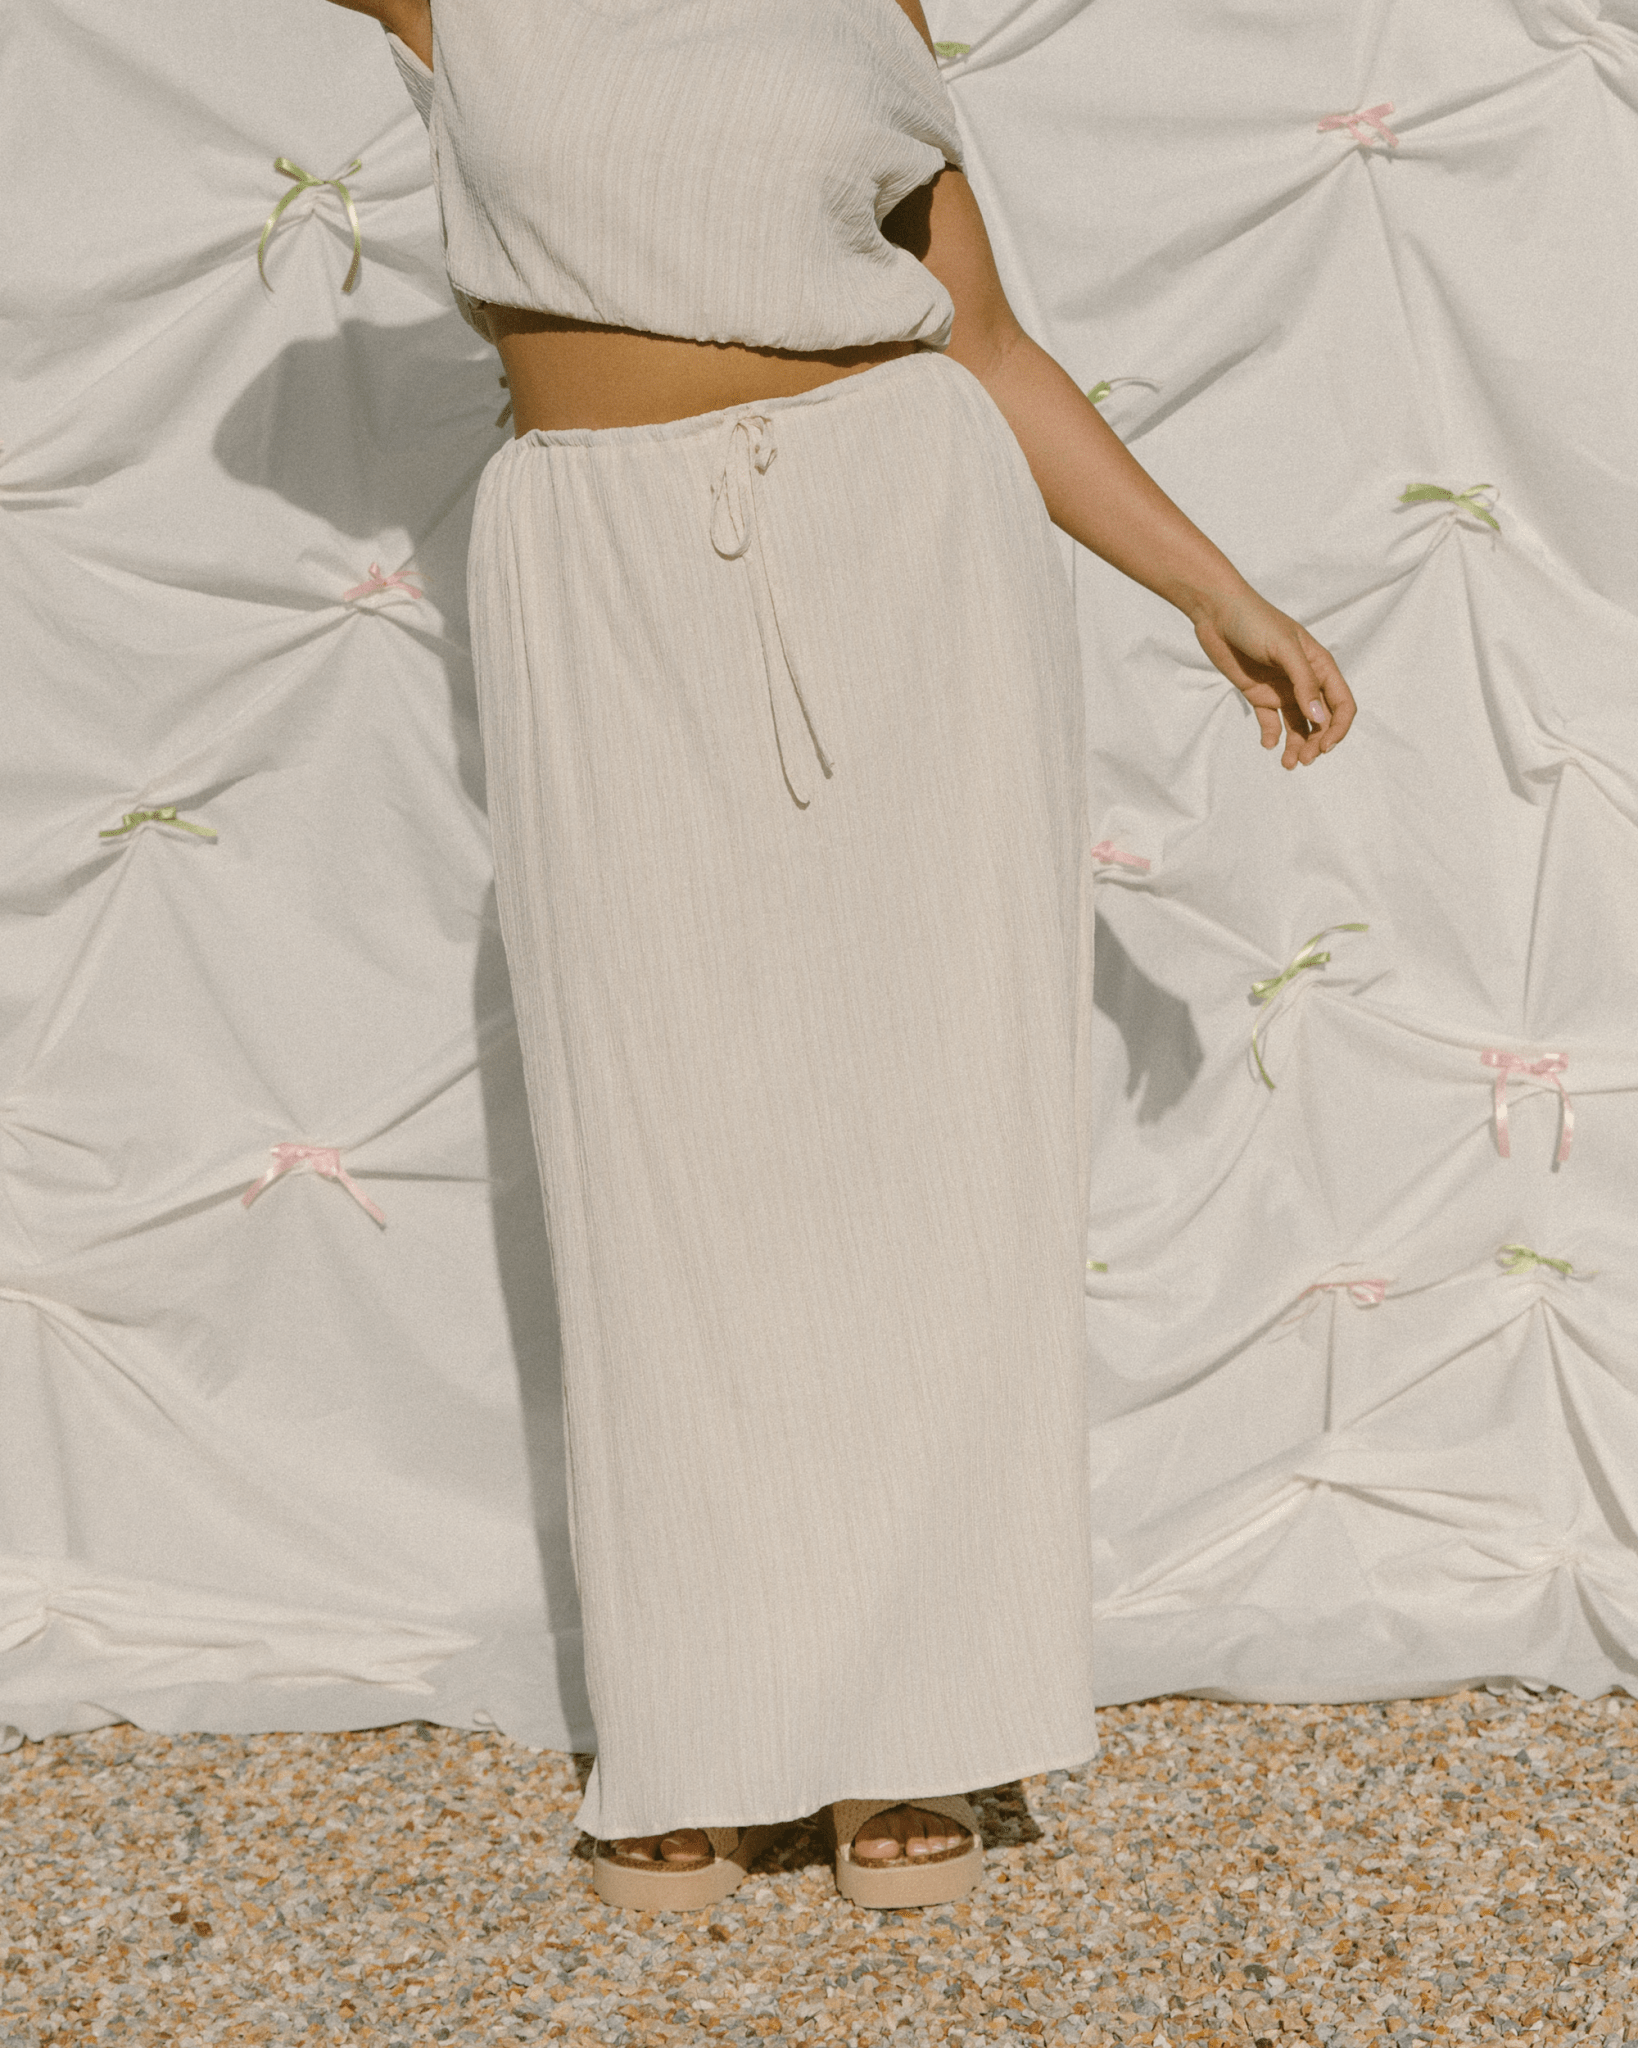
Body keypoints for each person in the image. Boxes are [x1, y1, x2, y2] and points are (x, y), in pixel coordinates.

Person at [329, 0, 1356, 1912]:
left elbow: (982, 343)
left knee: (931, 1142)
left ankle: (922, 1718)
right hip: (604, 565)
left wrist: (1209, 588)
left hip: (907, 541)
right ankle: (698, 1723)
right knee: (661, 1158)